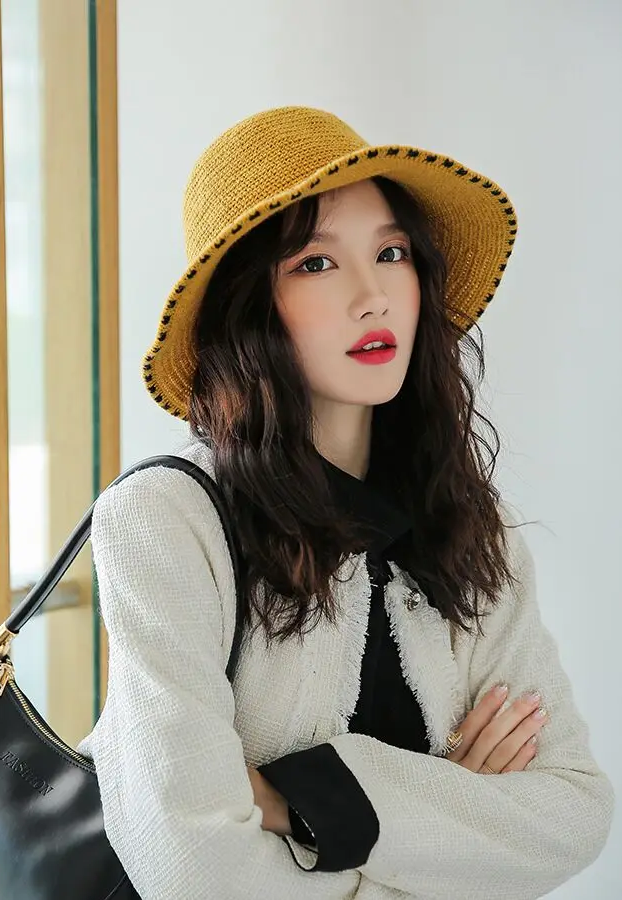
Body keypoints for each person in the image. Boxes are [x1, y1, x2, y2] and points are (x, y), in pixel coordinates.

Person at [77, 106, 614, 899]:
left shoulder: (476, 529)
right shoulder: (166, 522)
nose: (373, 296)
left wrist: (303, 798)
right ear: (247, 309)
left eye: (391, 253)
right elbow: (192, 869)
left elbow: (573, 811)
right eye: (316, 264)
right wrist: (451, 813)